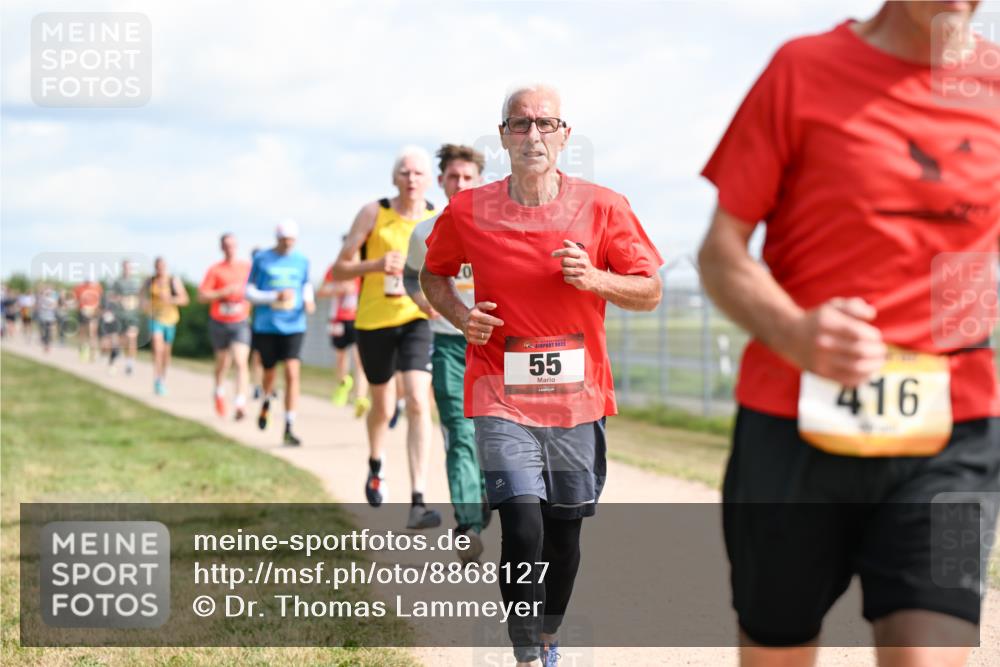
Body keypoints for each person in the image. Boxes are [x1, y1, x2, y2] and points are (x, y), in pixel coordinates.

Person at [697, 3, 1000, 666]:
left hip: (955, 436)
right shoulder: (802, 70)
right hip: (792, 429)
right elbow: (720, 251)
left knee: (933, 649)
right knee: (777, 649)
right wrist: (796, 333)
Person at [421, 85, 663, 667]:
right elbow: (434, 277)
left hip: (577, 400)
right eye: (520, 124)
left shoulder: (604, 206)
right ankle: (526, 652)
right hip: (499, 391)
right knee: (523, 523)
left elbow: (650, 289)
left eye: (545, 124)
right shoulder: (467, 211)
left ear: (564, 135)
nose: (533, 135)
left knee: (564, 535)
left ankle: (549, 634)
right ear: (502, 135)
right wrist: (462, 316)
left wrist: (597, 280)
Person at [332, 146, 441, 530]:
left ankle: (418, 499)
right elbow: (339, 269)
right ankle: (376, 464)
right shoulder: (373, 213)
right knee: (382, 405)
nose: (411, 179)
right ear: (395, 178)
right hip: (374, 321)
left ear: (429, 180)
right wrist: (375, 264)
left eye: (418, 173)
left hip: (416, 319)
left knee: (416, 399)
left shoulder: (436, 218)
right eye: (404, 172)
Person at [405, 143, 491, 563]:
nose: (460, 184)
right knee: (458, 430)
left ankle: (491, 496)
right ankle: (468, 523)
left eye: (468, 178)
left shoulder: (499, 226)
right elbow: (410, 276)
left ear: (480, 182)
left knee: (497, 433)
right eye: (453, 177)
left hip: (497, 345)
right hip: (448, 343)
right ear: (440, 182)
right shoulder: (424, 232)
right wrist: (424, 302)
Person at [246, 219, 315, 446]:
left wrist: (308, 301)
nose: (287, 244)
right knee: (269, 373)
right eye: (284, 240)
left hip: (294, 324)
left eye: (291, 240)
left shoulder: (302, 260)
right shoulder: (262, 259)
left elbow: (305, 285)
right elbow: (249, 292)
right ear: (277, 239)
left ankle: (289, 425)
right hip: (267, 325)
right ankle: (266, 400)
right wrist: (273, 297)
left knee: (293, 373)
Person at [199, 233, 253, 420]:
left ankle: (240, 403)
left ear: (237, 247)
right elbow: (202, 296)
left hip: (240, 321)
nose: (230, 248)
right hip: (219, 322)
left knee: (240, 361)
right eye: (226, 245)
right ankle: (219, 391)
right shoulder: (215, 270)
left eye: (233, 245)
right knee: (223, 363)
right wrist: (222, 292)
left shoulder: (247, 268)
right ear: (222, 248)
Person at [318, 247, 370, 416]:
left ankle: (360, 397)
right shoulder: (336, 268)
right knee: (341, 358)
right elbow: (321, 291)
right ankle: (343, 384)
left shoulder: (365, 268)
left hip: (359, 318)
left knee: (360, 359)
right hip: (338, 319)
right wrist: (338, 289)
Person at [143, 257, 189, 395]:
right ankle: (157, 379)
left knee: (166, 353)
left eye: (162, 266)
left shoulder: (173, 280)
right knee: (157, 349)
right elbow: (141, 295)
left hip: (170, 319)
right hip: (155, 318)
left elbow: (185, 300)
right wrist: (143, 305)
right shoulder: (150, 281)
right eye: (157, 266)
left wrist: (171, 299)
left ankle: (162, 378)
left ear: (166, 267)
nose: (160, 269)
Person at [108, 260, 143, 375]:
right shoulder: (117, 282)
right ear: (122, 268)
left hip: (132, 316)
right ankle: (115, 354)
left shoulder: (136, 282)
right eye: (125, 267)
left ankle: (130, 364)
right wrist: (120, 299)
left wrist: (139, 304)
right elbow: (111, 296)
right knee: (121, 340)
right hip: (120, 315)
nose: (127, 269)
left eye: (129, 267)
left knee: (132, 338)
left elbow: (141, 296)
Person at [74, 278, 103, 362]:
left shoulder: (98, 287)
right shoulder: (79, 288)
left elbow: (100, 300)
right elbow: (76, 301)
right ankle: (82, 350)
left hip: (93, 313)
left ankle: (92, 354)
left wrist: (97, 310)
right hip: (82, 312)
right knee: (83, 333)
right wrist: (81, 309)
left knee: (92, 333)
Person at [35, 284, 59, 353]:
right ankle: (45, 343)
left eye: (50, 292)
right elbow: (39, 306)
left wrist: (51, 306)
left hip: (50, 318)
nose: (49, 293)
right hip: (42, 317)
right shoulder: (41, 298)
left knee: (48, 332)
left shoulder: (53, 299)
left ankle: (47, 346)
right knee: (43, 331)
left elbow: (54, 306)